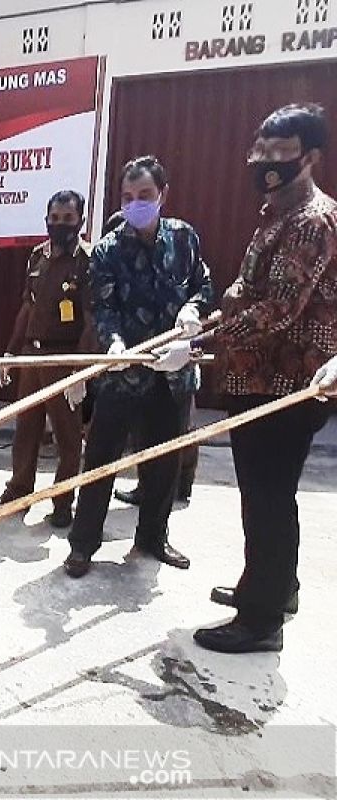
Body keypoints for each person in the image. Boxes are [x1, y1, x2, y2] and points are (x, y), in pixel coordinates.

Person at [181, 104, 337, 653]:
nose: (267, 163)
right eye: (261, 152)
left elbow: (279, 310)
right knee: (265, 494)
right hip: (256, 375)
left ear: (311, 157)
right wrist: (211, 325)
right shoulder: (274, 212)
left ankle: (261, 620)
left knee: (268, 495)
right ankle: (272, 587)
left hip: (287, 382)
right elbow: (248, 295)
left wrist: (203, 343)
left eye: (281, 153)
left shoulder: (311, 221)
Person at [64, 155, 214, 578]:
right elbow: (105, 307)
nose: (136, 204)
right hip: (124, 374)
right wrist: (112, 344)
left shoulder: (184, 238)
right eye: (128, 197)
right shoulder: (109, 250)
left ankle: (152, 537)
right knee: (100, 461)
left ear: (163, 195)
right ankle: (83, 545)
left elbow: (204, 285)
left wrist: (192, 314)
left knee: (163, 462)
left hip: (172, 370)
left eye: (144, 196)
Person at [0, 190, 93, 529]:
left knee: (67, 437)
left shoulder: (87, 260)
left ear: (81, 221)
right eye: (54, 218)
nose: (60, 225)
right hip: (33, 354)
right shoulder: (36, 257)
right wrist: (11, 352)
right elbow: (27, 307)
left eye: (67, 219)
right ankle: (18, 492)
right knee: (25, 429)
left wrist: (81, 370)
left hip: (65, 356)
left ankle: (62, 502)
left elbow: (91, 318)